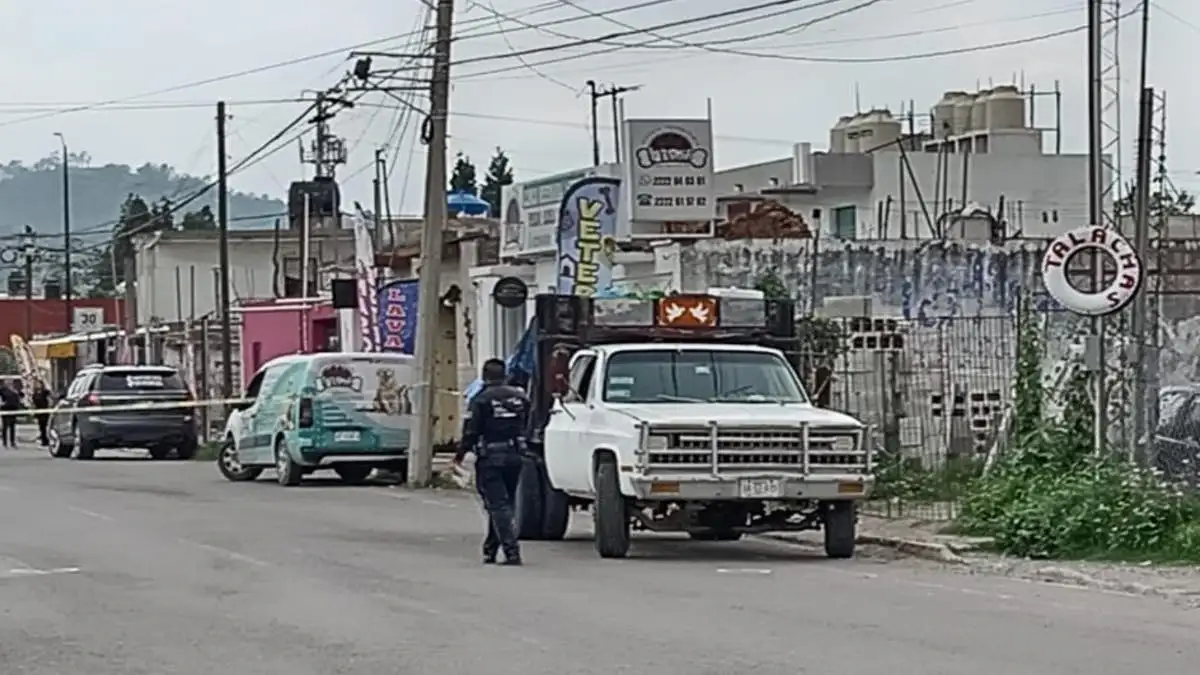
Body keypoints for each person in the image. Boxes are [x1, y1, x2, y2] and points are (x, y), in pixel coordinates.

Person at [455, 358, 530, 566]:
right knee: (504, 505)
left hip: (491, 457)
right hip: (515, 455)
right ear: (504, 374)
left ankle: (511, 551)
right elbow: (528, 424)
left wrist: (460, 455)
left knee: (497, 505)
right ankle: (490, 549)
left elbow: (471, 431)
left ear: (484, 376)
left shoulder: (480, 399)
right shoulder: (520, 397)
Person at [0, 380, 21, 448]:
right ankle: (5, 442)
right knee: (5, 426)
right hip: (5, 409)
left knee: (12, 426)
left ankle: (12, 442)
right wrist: (2, 403)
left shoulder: (15, 390)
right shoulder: (2, 390)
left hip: (13, 409)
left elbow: (19, 397)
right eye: (7, 383)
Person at [31, 381, 52, 447]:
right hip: (39, 412)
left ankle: (46, 439)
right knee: (41, 426)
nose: (38, 385)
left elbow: (50, 394)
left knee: (45, 425)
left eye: (39, 384)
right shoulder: (35, 394)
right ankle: (44, 440)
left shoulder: (45, 392)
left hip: (45, 411)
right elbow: (33, 403)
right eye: (37, 384)